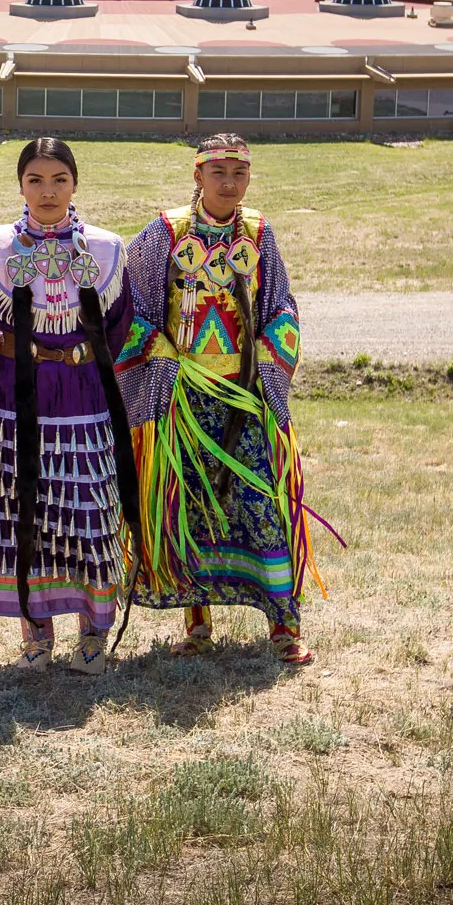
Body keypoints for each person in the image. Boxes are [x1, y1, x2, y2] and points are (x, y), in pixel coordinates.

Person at [118, 132, 326, 665]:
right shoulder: (165, 233)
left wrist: (264, 359)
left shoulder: (259, 233)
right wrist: (165, 363)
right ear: (198, 176)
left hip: (244, 395)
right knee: (190, 504)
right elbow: (131, 312)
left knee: (263, 503)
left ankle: (284, 621)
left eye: (239, 173)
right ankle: (197, 620)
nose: (229, 183)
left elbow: (282, 308)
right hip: (184, 400)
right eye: (219, 173)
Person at [0, 137, 141, 674]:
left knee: (86, 513)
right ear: (20, 184)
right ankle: (35, 636)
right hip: (17, 399)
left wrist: (80, 355)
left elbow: (121, 324)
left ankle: (93, 635)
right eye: (35, 180)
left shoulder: (105, 249)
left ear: (75, 184)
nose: (47, 191)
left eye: (58, 179)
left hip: (84, 398)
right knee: (24, 511)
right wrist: (9, 356)